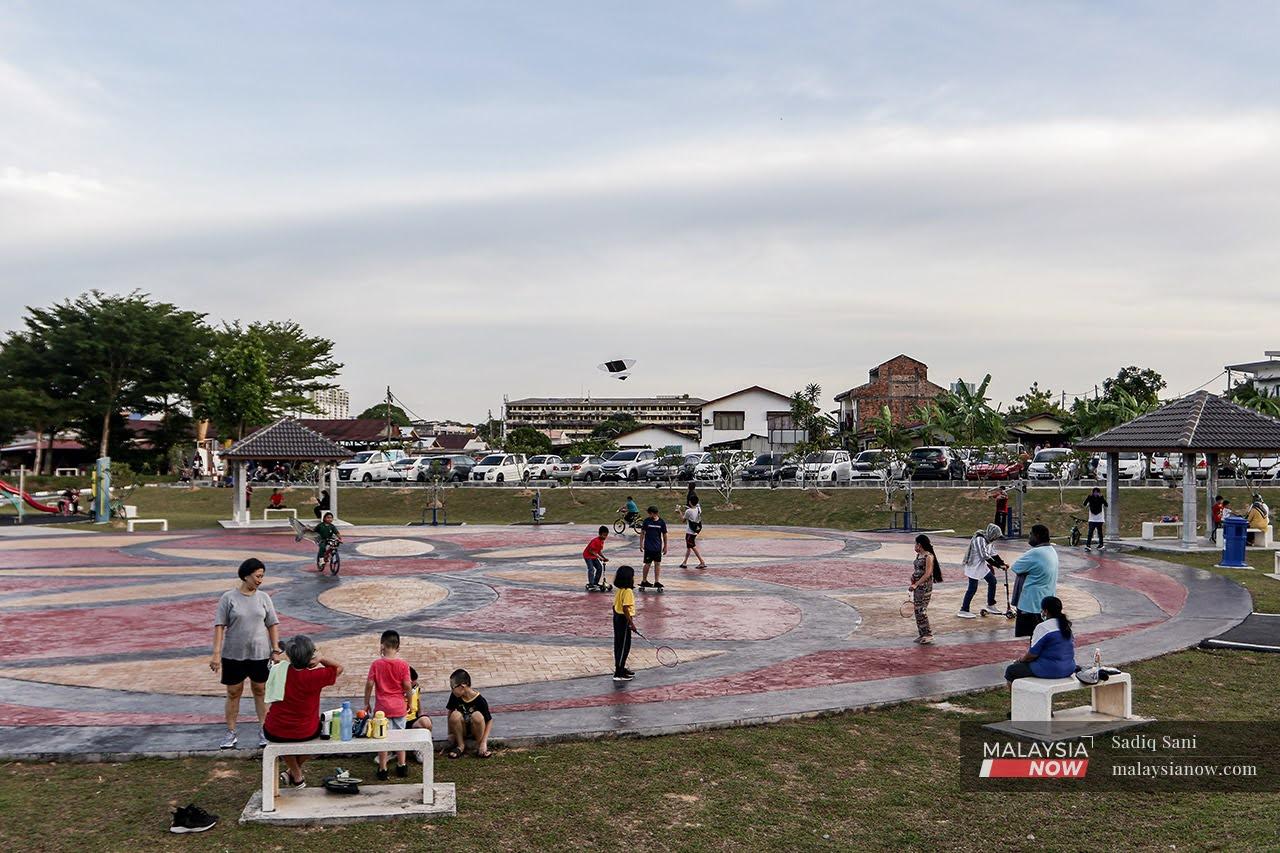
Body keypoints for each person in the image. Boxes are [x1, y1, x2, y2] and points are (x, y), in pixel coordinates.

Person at [210, 558, 282, 750]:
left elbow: (272, 624)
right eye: (257, 576)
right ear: (246, 575)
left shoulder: (264, 598)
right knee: (233, 692)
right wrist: (216, 654)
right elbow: (219, 626)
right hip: (233, 654)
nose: (260, 580)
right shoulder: (228, 598)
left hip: (260, 653)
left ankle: (264, 729)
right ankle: (231, 731)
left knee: (261, 690)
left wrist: (275, 649)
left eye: (262, 576)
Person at [262, 635, 343, 788]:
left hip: (275, 729)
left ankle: (294, 773)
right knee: (317, 736)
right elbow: (339, 668)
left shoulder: (279, 670)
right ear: (310, 656)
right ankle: (295, 773)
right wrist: (321, 658)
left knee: (283, 739)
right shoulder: (315, 676)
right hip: (306, 731)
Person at [364, 630, 413, 780]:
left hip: (382, 708)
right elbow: (407, 686)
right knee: (400, 737)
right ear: (398, 647)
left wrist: (366, 702)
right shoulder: (403, 665)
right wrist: (410, 702)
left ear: (382, 646)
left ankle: (383, 768)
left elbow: (369, 684)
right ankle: (402, 765)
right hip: (398, 706)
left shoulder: (376, 664)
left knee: (382, 737)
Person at [1004, 596, 1077, 690]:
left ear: (1045, 611)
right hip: (1069, 668)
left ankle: (1015, 697)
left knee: (1011, 670)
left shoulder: (1042, 627)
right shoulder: (1065, 625)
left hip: (1050, 669)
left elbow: (1032, 655)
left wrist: (1020, 660)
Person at [1010, 524, 1059, 639]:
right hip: (1045, 600)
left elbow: (1016, 567)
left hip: (1031, 603)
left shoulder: (1035, 553)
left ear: (1037, 536)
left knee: (1034, 637)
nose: (1029, 536)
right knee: (1041, 636)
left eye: (1031, 534)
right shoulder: (1051, 550)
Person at [957, 524, 1003, 618]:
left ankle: (990, 605)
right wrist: (998, 566)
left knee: (992, 581)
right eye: (996, 536)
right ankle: (964, 610)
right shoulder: (980, 539)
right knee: (972, 588)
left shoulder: (989, 541)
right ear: (992, 534)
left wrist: (1002, 563)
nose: (996, 539)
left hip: (981, 566)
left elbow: (993, 554)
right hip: (973, 566)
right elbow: (984, 555)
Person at [445, 669, 493, 759]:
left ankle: (480, 745)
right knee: (454, 715)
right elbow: (450, 712)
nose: (452, 690)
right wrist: (450, 732)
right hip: (462, 729)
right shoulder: (455, 696)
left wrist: (484, 742)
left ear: (462, 686)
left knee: (477, 716)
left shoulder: (480, 700)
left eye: (453, 687)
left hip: (475, 730)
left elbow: (489, 721)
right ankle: (460, 745)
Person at [611, 564, 637, 681]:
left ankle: (620, 667)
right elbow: (626, 608)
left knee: (618, 644)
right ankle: (619, 673)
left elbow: (614, 606)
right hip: (624, 619)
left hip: (617, 618)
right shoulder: (628, 591)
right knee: (624, 646)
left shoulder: (620, 590)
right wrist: (631, 623)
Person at [638, 505, 668, 591]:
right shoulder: (647, 521)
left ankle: (657, 581)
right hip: (648, 547)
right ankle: (644, 581)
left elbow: (665, 534)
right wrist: (641, 544)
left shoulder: (661, 522)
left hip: (657, 547)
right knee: (647, 564)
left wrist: (665, 546)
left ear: (654, 513)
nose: (648, 515)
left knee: (657, 564)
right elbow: (642, 533)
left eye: (649, 513)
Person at [679, 494, 707, 569]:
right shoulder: (698, 508)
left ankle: (702, 562)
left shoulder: (688, 511)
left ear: (690, 502)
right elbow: (694, 510)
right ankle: (684, 562)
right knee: (689, 547)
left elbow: (683, 520)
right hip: (696, 530)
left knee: (692, 546)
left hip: (690, 532)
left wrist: (679, 511)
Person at [582, 525, 610, 592]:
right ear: (600, 534)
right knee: (591, 569)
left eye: (606, 535)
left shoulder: (601, 541)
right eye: (604, 535)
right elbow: (591, 551)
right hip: (587, 556)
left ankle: (595, 582)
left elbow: (599, 551)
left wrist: (604, 558)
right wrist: (599, 557)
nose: (605, 537)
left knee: (599, 568)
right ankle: (591, 584)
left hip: (594, 556)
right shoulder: (595, 541)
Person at [1082, 487, 1108, 551]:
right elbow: (1084, 504)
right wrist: (1088, 498)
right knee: (1090, 533)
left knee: (1100, 533)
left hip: (1099, 519)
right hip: (1092, 519)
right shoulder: (1090, 498)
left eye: (1097, 492)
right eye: (1094, 492)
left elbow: (1106, 505)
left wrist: (1102, 498)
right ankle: (1088, 545)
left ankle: (1101, 545)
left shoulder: (1101, 498)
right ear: (1093, 493)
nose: (1096, 493)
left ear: (1099, 493)